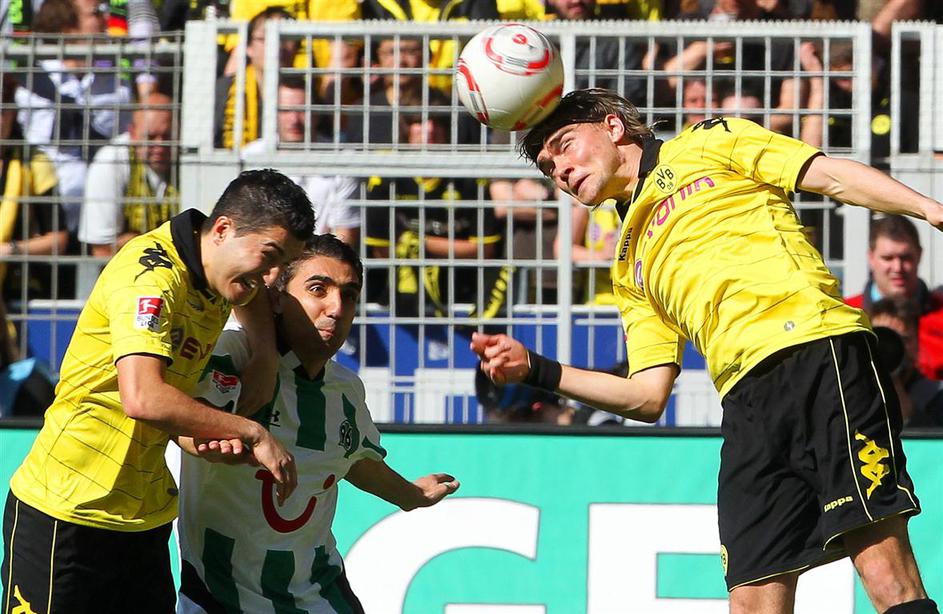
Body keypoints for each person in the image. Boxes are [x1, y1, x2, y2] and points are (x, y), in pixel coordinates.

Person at [471, 88, 942, 613]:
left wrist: (928, 207)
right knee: (752, 600)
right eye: (547, 166)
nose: (559, 169)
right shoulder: (628, 263)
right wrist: (536, 369)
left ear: (612, 127)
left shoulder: (709, 141)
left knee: (884, 570)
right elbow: (646, 396)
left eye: (564, 146)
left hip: (817, 351)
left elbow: (829, 176)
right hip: (744, 402)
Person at [1, 169, 316, 613]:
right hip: (67, 513)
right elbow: (143, 398)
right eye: (270, 256)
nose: (271, 278)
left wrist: (262, 356)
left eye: (284, 264)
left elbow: (255, 299)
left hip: (143, 519)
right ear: (222, 229)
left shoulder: (219, 272)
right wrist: (250, 432)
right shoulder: (151, 277)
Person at [176, 234, 460, 613]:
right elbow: (180, 417)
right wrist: (199, 440)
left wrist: (411, 495)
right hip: (221, 596)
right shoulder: (233, 356)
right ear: (277, 297)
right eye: (318, 289)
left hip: (319, 595)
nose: (336, 308)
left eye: (349, 295)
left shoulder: (345, 390)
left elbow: (356, 461)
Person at [365, 112, 508, 318]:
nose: (430, 128)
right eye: (419, 121)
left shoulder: (469, 177)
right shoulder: (385, 176)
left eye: (437, 122)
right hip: (398, 296)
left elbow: (485, 250)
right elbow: (381, 251)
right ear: (405, 128)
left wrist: (419, 244)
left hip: (463, 294)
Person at [241, 76, 361, 246]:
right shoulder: (250, 156)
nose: (294, 120)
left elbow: (344, 235)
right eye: (286, 110)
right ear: (272, 114)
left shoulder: (340, 160)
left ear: (317, 113)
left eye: (302, 110)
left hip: (317, 257)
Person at [80, 91, 178, 259]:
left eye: (167, 136)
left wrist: (133, 240)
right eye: (150, 137)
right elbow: (102, 250)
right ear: (132, 133)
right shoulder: (110, 161)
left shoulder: (189, 158)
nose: (160, 145)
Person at [846, 215, 943, 381]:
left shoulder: (940, 314)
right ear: (871, 258)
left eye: (905, 257)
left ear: (919, 255)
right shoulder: (846, 315)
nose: (897, 267)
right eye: (888, 258)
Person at [214, 7, 299, 149]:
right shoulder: (223, 91)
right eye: (265, 38)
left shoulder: (306, 94)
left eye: (284, 38)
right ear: (248, 47)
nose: (277, 46)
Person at [868, 299, 943, 428]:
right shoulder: (850, 392)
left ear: (917, 343)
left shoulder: (936, 396)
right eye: (881, 339)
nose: (891, 347)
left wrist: (909, 413)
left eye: (904, 339)